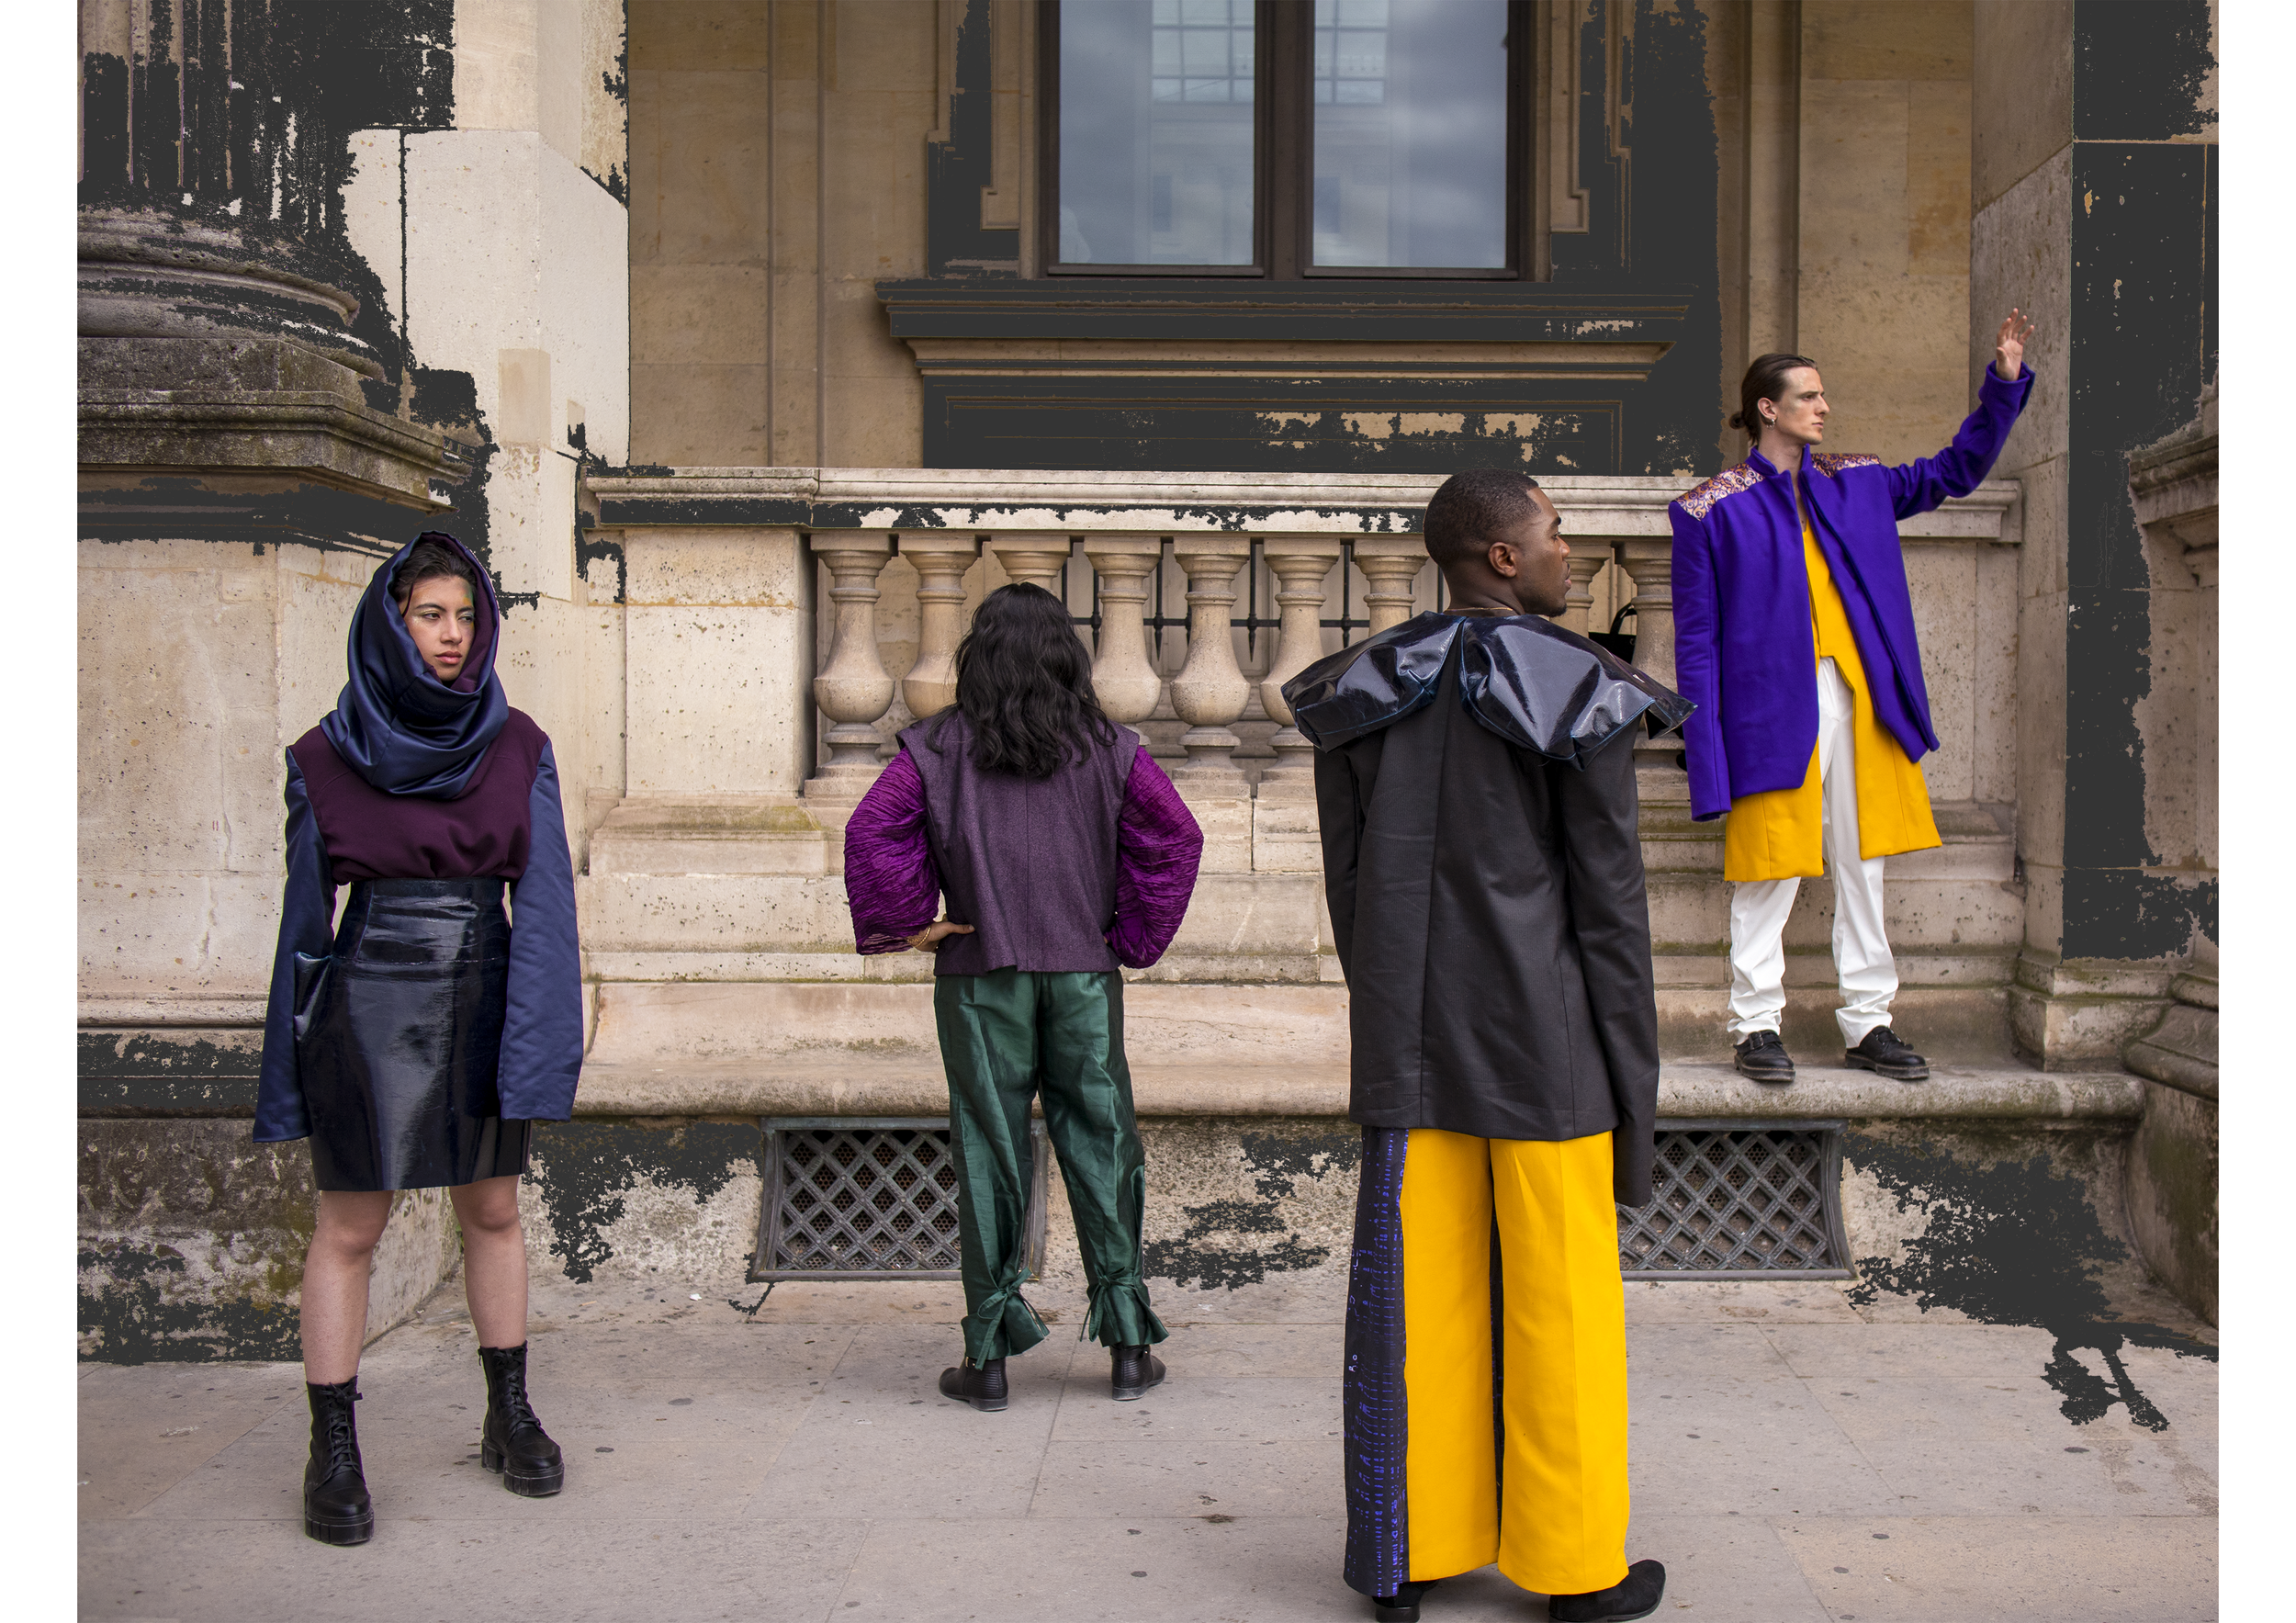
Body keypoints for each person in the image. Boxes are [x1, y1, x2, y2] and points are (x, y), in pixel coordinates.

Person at [1284, 470, 1690, 1623]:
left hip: (1410, 1043)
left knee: (1423, 1305)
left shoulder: (1364, 690)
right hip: (1546, 1048)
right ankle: (1572, 1570)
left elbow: (1349, 889)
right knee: (1558, 1307)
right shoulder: (1579, 691)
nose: (1570, 553)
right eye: (1556, 534)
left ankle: (1408, 1557)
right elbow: (1609, 913)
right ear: (1502, 557)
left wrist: (1391, 1022)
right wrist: (1633, 1083)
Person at [255, 532, 584, 1545]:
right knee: (350, 1226)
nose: (452, 637)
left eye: (466, 617)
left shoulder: (519, 744)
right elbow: (302, 927)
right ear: (390, 622)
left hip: (487, 983)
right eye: (429, 615)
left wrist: (539, 1047)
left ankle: (509, 1411)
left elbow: (548, 907)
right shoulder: (322, 754)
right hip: (368, 996)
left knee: (491, 1210)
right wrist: (291, 1069)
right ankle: (333, 1445)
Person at [841, 582, 1205, 1410]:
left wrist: (912, 921)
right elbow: (1175, 836)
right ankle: (1127, 1343)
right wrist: (1130, 936)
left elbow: (872, 829)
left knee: (989, 1149)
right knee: (1104, 1142)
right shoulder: (1111, 748)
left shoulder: (935, 748)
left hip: (979, 981)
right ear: (1065, 656)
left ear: (979, 655)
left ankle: (992, 1356)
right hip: (1083, 978)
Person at [1671, 312, 2037, 1084]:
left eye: (1824, 395)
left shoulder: (1859, 482)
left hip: (1862, 699)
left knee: (1862, 864)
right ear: (1768, 409)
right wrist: (1704, 749)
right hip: (1769, 709)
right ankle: (1755, 1026)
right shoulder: (1709, 508)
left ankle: (1870, 1022)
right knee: (1771, 867)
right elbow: (1695, 642)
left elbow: (1954, 472)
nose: (1824, 407)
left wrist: (2002, 387)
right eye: (1808, 396)